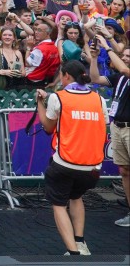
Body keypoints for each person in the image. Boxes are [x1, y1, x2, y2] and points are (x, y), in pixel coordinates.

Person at [37, 61, 108, 256]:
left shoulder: (59, 97)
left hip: (65, 162)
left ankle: (73, 252)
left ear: (66, 76)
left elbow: (48, 127)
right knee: (76, 197)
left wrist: (40, 103)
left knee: (59, 204)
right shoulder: (98, 99)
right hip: (92, 165)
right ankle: (80, 243)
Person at [84, 36, 130, 227]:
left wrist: (106, 45)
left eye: (129, 55)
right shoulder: (119, 77)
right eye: (124, 55)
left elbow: (125, 69)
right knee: (125, 171)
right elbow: (95, 78)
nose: (125, 58)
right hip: (118, 126)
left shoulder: (124, 72)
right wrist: (94, 57)